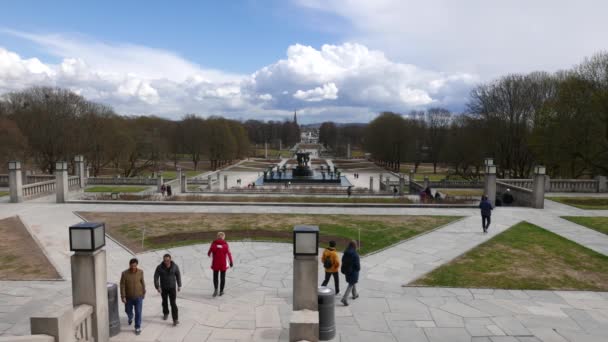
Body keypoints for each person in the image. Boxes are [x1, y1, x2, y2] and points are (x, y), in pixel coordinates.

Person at [153, 254, 182, 326]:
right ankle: (165, 313)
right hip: (164, 288)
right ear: (163, 260)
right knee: (164, 302)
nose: (166, 262)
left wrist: (179, 285)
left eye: (168, 260)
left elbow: (178, 275)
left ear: (170, 259)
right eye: (165, 261)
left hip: (172, 288)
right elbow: (156, 277)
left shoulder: (175, 266)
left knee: (173, 303)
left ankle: (175, 319)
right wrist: (158, 287)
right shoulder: (159, 267)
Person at [120, 258, 146, 335]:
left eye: (135, 266)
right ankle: (130, 317)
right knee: (128, 310)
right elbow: (122, 285)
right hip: (128, 297)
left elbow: (142, 282)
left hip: (139, 296)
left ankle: (137, 327)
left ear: (136, 265)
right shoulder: (124, 273)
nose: (133, 267)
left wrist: (144, 292)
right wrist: (123, 296)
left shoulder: (140, 272)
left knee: (138, 312)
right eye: (132, 266)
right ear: (129, 265)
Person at [207, 232, 234, 297]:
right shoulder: (225, 244)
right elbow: (229, 253)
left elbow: (209, 253)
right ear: (223, 237)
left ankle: (216, 289)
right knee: (222, 277)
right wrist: (231, 262)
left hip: (215, 263)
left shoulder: (213, 244)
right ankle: (221, 291)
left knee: (215, 277)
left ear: (217, 237)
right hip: (223, 263)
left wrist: (213, 255)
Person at [340, 241, 360, 306]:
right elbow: (358, 266)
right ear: (355, 246)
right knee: (351, 284)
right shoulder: (355, 255)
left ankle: (355, 294)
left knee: (352, 282)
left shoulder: (345, 253)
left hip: (347, 271)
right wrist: (357, 269)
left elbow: (342, 261)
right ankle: (344, 298)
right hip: (353, 272)